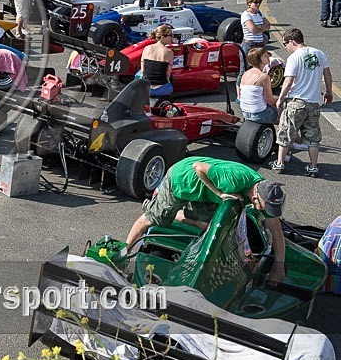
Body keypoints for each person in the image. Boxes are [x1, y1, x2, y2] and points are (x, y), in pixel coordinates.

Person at [125, 156, 287, 285]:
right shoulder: (232, 180)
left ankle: (176, 213)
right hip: (183, 180)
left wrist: (279, 266)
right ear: (255, 196)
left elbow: (276, 233)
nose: (262, 211)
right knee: (152, 220)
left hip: (205, 193)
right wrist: (219, 194)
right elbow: (198, 167)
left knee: (213, 226)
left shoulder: (267, 192)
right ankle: (123, 253)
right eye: (262, 207)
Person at [271, 28, 333, 177]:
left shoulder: (294, 58)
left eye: (286, 44)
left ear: (292, 41)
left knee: (286, 133)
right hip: (313, 102)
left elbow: (288, 81)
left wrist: (280, 99)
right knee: (313, 137)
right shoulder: (319, 53)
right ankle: (313, 167)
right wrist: (329, 92)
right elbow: (327, 74)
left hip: (296, 102)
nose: (286, 47)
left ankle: (280, 163)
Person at [237, 0, 271, 100]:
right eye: (255, 2)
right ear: (249, 3)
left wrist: (259, 27)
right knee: (244, 70)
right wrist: (261, 27)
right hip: (249, 45)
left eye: (259, 2)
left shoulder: (259, 13)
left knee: (259, 69)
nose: (257, 5)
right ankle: (239, 95)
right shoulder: (245, 15)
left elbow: (268, 25)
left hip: (259, 45)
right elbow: (252, 29)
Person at [239, 47, 279, 124]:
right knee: (285, 116)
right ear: (258, 60)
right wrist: (282, 100)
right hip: (259, 114)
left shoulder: (245, 74)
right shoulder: (263, 77)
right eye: (265, 55)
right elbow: (270, 101)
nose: (268, 56)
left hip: (245, 112)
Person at [139, 25, 174, 97]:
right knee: (170, 85)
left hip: (146, 89)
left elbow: (143, 71)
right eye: (170, 35)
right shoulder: (169, 52)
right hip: (161, 89)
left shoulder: (146, 48)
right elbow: (168, 74)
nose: (172, 37)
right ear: (162, 37)